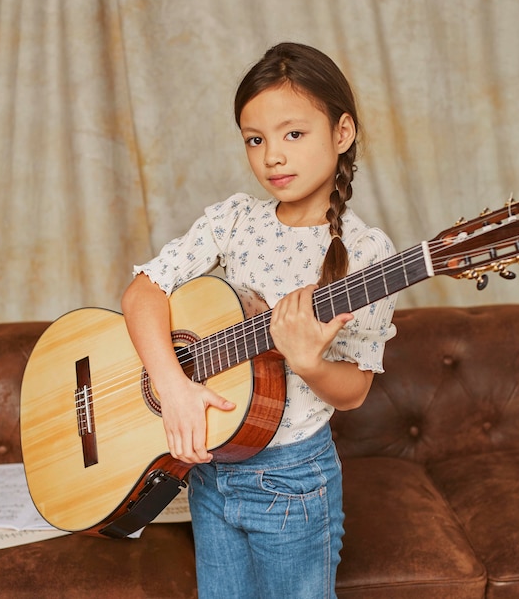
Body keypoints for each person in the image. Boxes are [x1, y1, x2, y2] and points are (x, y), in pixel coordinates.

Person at [121, 42, 397, 599]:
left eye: (294, 134)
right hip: (209, 469)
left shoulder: (367, 253)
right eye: (256, 139)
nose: (273, 156)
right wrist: (172, 387)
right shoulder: (234, 220)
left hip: (293, 480)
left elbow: (355, 391)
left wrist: (309, 363)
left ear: (342, 133)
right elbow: (142, 293)